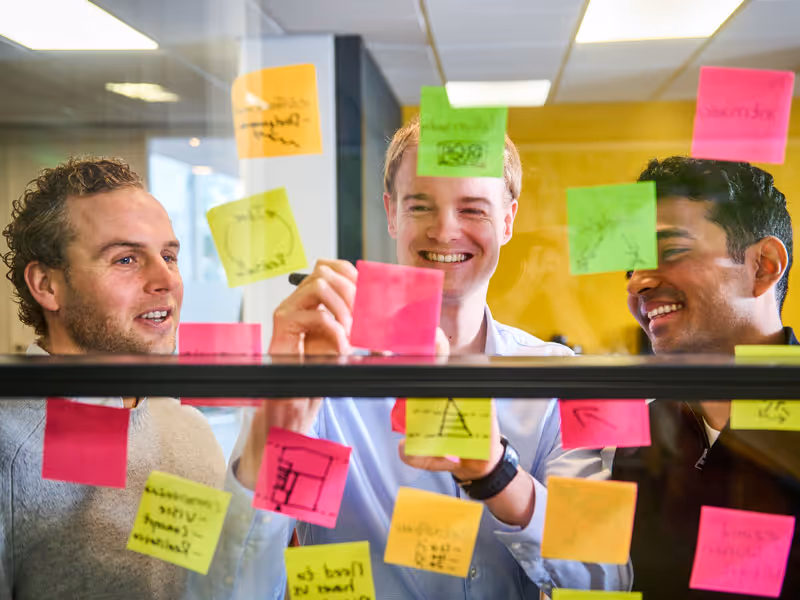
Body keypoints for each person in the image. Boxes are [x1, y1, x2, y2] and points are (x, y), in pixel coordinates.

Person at [190, 118, 632, 599]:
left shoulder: (559, 378)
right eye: (420, 205)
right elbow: (233, 592)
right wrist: (277, 424)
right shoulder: (329, 381)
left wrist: (497, 475)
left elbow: (606, 579)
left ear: (508, 221)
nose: (444, 231)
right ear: (392, 214)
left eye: (472, 209)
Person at [0, 157, 226, 600]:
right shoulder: (7, 443)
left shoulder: (190, 431)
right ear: (47, 285)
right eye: (126, 259)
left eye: (169, 256)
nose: (165, 279)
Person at [614, 156, 800, 599]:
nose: (636, 283)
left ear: (763, 266)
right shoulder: (641, 434)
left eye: (671, 251)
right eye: (630, 266)